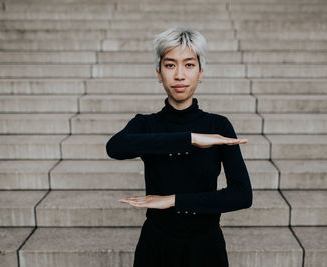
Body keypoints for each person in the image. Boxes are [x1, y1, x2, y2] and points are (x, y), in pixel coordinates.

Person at [105, 26, 253, 267]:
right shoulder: (146, 123)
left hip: (206, 246)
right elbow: (116, 147)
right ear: (159, 73)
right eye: (170, 65)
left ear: (201, 72)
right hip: (156, 246)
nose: (180, 75)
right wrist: (190, 138)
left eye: (189, 65)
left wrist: (174, 200)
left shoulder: (218, 125)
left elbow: (242, 195)